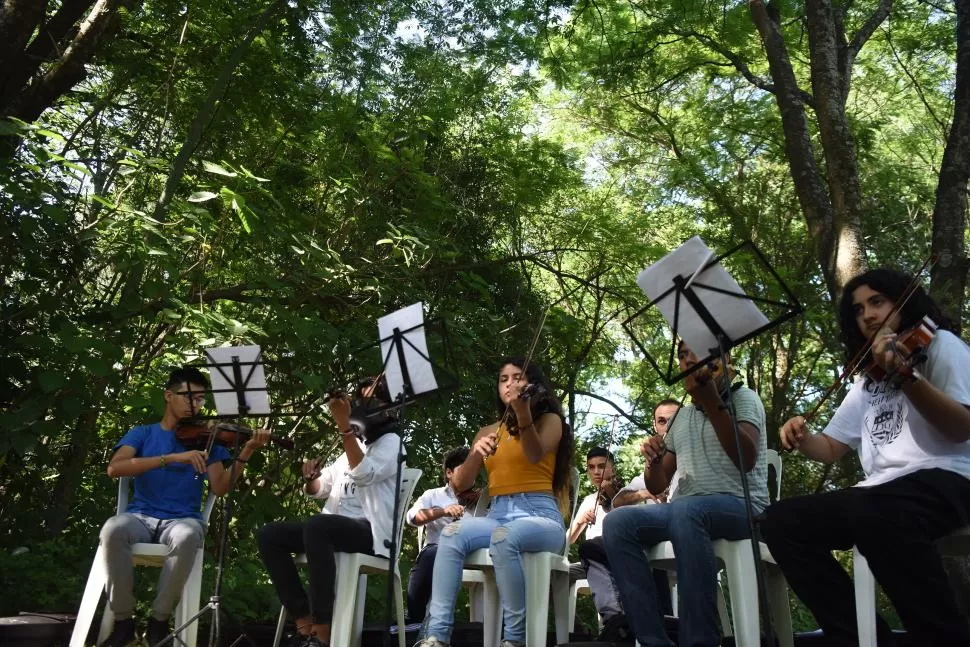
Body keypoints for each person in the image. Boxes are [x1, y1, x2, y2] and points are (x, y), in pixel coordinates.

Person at [761, 268, 970, 645]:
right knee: (781, 521)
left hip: (948, 476)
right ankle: (862, 638)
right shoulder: (868, 379)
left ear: (904, 302)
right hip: (879, 491)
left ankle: (943, 637)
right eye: (858, 310)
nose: (868, 316)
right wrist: (802, 436)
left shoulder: (942, 346)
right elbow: (831, 448)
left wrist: (905, 374)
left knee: (875, 510)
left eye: (878, 302)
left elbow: (961, 428)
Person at [603, 343, 769, 647]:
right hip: (687, 511)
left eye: (698, 351)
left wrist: (713, 403)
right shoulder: (682, 418)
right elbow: (656, 485)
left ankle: (700, 641)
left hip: (743, 506)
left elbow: (746, 458)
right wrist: (652, 461)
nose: (689, 360)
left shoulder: (745, 399)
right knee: (617, 523)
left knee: (686, 511)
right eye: (682, 355)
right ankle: (654, 641)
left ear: (724, 358)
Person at [98, 366, 270, 647]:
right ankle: (123, 621)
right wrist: (173, 458)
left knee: (188, 535)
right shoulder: (143, 433)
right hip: (140, 516)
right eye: (189, 397)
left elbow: (220, 487)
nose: (196, 404)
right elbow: (115, 468)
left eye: (201, 399)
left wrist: (247, 450)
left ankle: (159, 621)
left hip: (182, 520)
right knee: (113, 529)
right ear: (168, 395)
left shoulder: (208, 438)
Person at [415, 357, 574, 647]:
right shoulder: (487, 430)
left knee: (503, 538)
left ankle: (514, 639)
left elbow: (535, 454)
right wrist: (476, 453)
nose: (510, 383)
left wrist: (523, 414)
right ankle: (436, 636)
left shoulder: (550, 421)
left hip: (540, 514)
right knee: (451, 534)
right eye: (503, 379)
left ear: (532, 385)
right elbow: (460, 484)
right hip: (498, 513)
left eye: (518, 377)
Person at [257, 377, 404, 647]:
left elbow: (363, 474)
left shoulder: (392, 443)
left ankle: (323, 629)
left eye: (373, 400)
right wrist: (309, 477)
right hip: (329, 529)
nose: (364, 406)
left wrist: (343, 427)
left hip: (372, 531)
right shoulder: (354, 444)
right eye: (361, 400)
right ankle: (304, 620)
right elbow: (320, 488)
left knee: (318, 525)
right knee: (270, 535)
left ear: (390, 408)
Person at [404, 446, 472, 629]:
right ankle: (415, 619)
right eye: (465, 470)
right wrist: (443, 511)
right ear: (449, 472)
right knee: (430, 553)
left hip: (472, 554)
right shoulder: (433, 495)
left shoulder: (476, 499)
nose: (470, 476)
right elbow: (412, 517)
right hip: (438, 551)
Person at [567, 447, 629, 638]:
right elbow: (568, 540)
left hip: (619, 558)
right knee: (554, 574)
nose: (596, 472)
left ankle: (615, 623)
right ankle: (579, 629)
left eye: (602, 466)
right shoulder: (589, 500)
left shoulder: (626, 494)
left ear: (613, 468)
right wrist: (580, 521)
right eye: (591, 467)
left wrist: (611, 493)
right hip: (590, 560)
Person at [613, 399, 680, 507]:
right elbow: (616, 502)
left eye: (676, 420)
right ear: (655, 425)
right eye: (662, 421)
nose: (668, 427)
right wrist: (644, 493)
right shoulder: (652, 465)